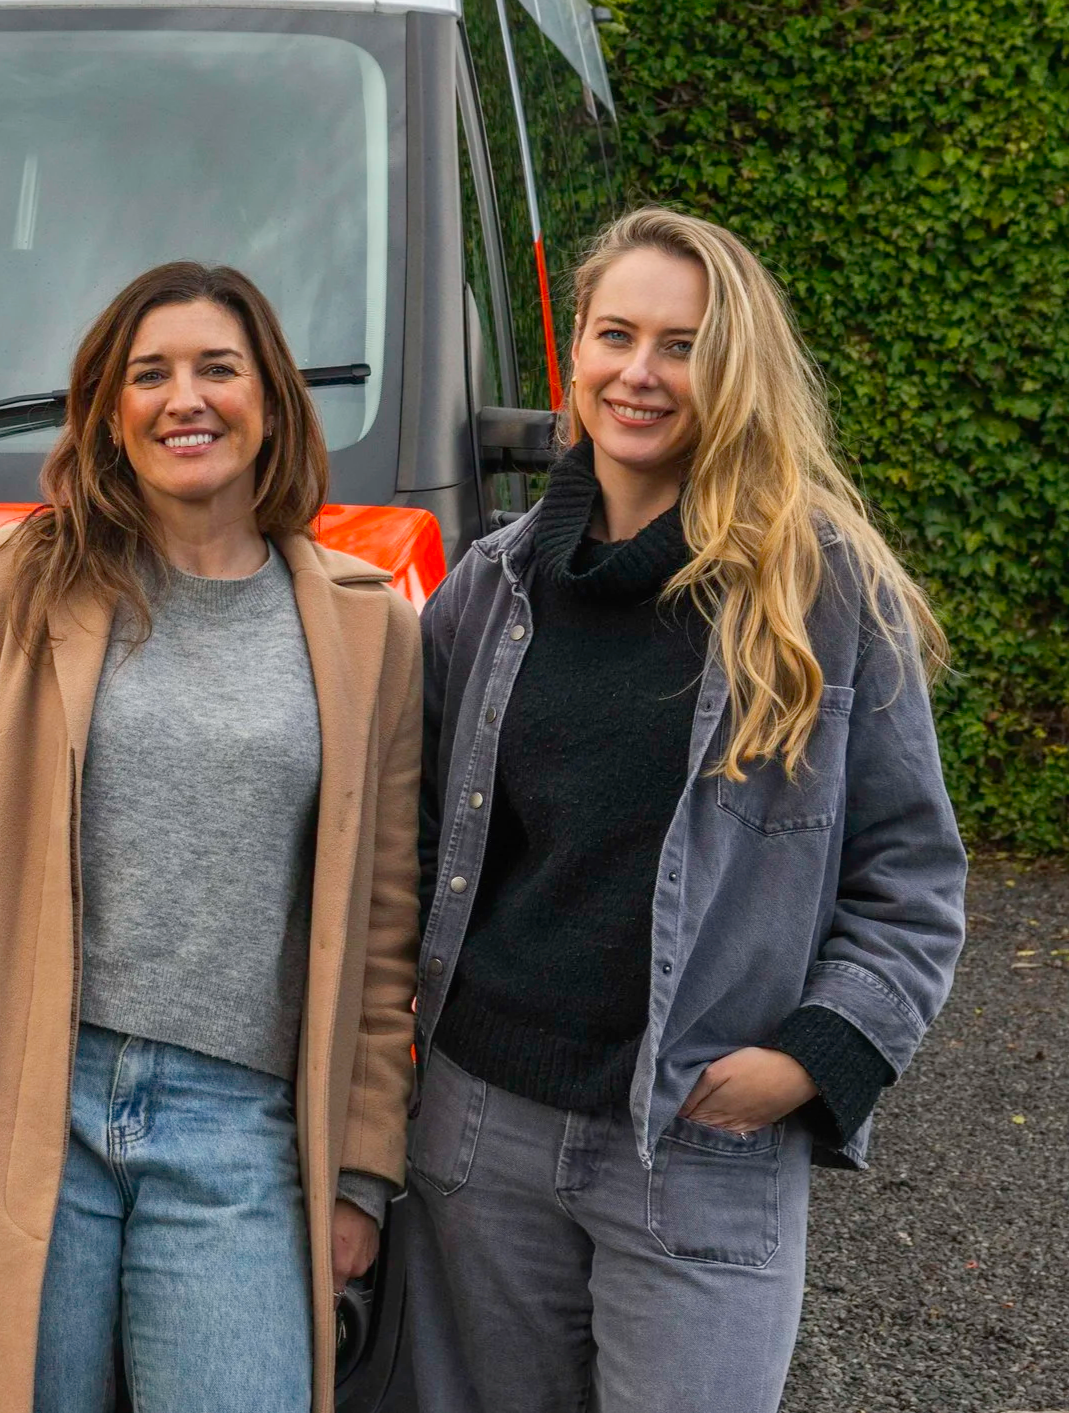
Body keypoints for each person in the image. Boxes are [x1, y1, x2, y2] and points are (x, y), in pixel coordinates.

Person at [0, 261, 422, 1413]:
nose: (182, 398)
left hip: (240, 1132)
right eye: (149, 375)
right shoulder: (19, 583)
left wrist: (360, 1171)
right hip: (24, 1105)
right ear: (107, 411)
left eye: (215, 369)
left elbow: (386, 926)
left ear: (272, 400)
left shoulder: (368, 626)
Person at [401, 206, 968, 1413]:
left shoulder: (821, 594)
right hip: (479, 1134)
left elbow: (910, 883)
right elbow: (404, 844)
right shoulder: (486, 590)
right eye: (616, 335)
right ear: (575, 356)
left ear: (736, 371)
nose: (640, 373)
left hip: (702, 1143)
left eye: (683, 345)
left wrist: (808, 1061)